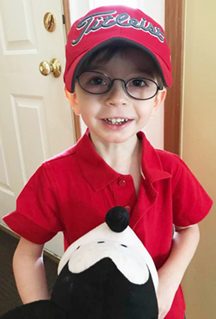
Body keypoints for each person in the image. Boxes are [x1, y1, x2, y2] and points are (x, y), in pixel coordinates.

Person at [3, 5, 213, 319]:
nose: (118, 98)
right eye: (98, 81)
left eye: (139, 82)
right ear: (73, 97)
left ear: (158, 99)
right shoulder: (53, 177)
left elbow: (189, 230)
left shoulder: (172, 170)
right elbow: (27, 254)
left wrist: (166, 287)